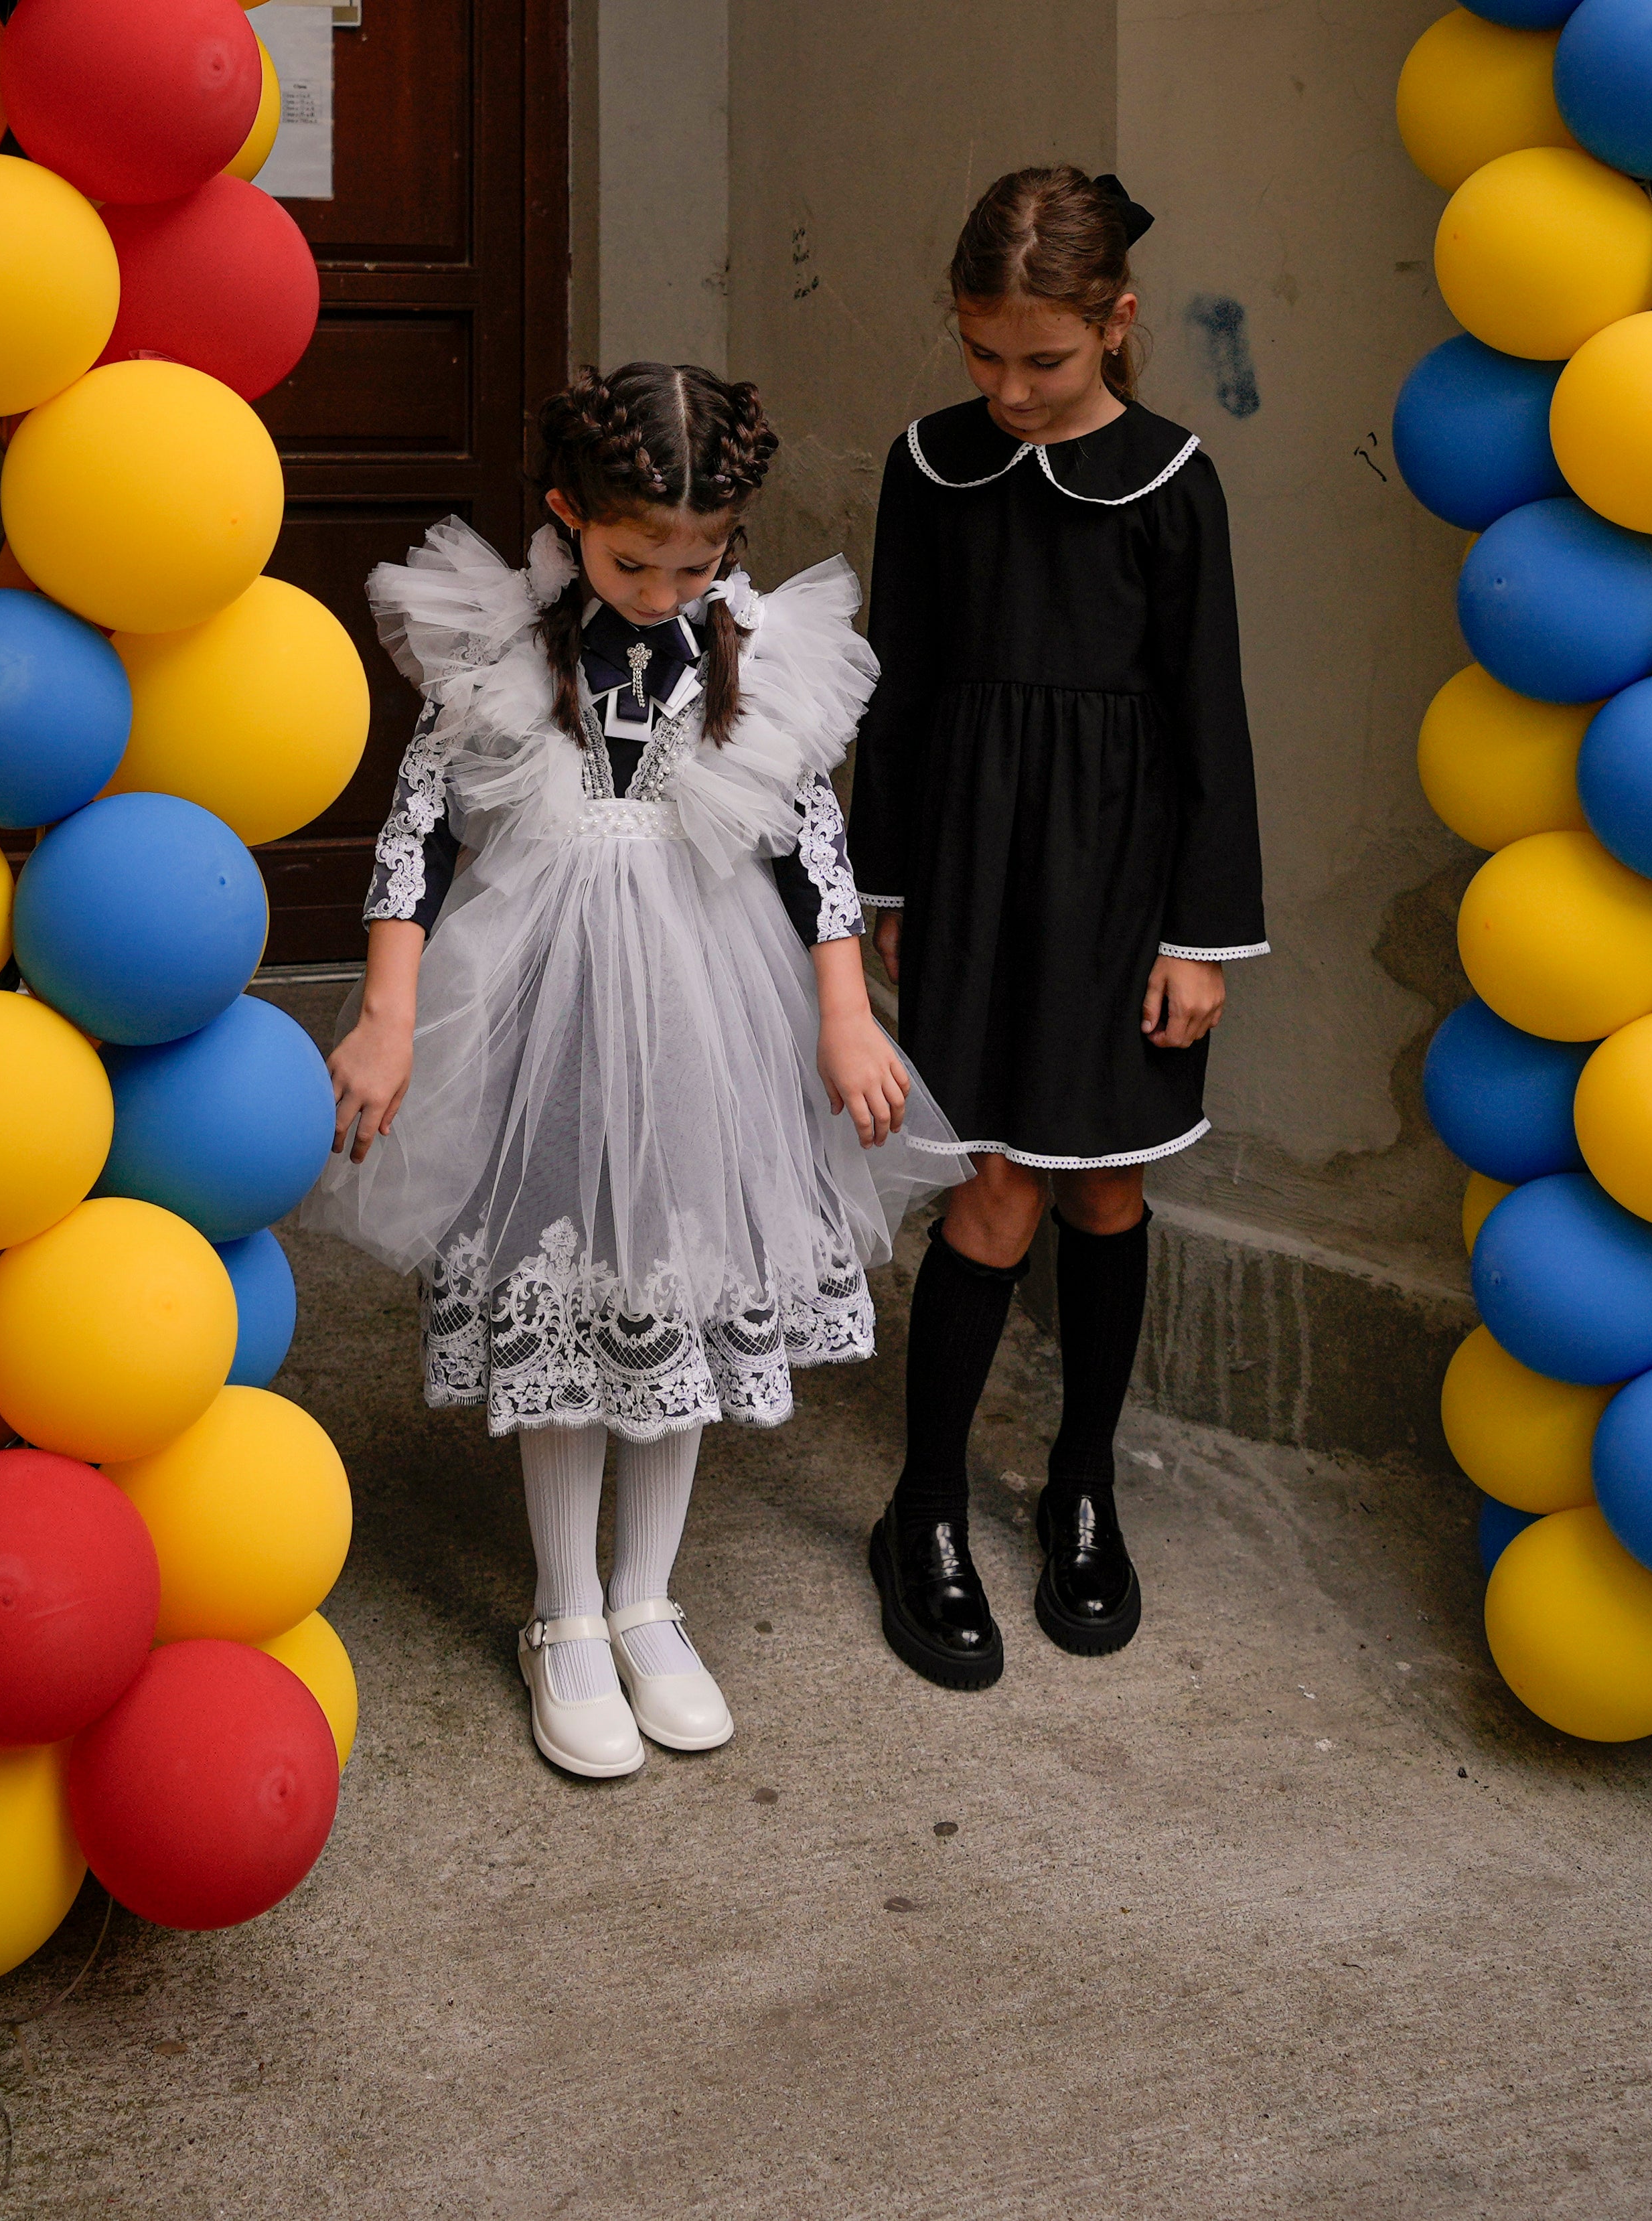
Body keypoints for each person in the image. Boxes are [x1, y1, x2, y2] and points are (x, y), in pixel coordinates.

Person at [306, 362, 960, 1780]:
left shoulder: (752, 643)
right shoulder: (505, 641)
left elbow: (812, 850)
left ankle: (648, 1598)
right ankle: (563, 1613)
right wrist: (391, 1012)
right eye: (633, 558)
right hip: (544, 992)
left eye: (699, 559)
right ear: (567, 518)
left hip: (708, 1000)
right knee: (569, 1272)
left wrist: (844, 1014)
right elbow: (418, 834)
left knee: (678, 1274)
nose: (668, 586)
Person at [848, 167, 1266, 1690]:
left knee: (1101, 1196)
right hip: (971, 878)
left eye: (1047, 360)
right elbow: (889, 689)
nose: (1012, 391)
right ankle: (927, 1510)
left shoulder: (1172, 483)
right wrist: (883, 886)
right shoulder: (929, 467)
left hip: (1121, 893)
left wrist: (1200, 939)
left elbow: (1207, 717)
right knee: (996, 1193)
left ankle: (1082, 1485)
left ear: (1116, 323)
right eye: (985, 357)